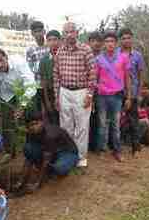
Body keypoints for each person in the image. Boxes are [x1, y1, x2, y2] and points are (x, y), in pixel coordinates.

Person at [53, 22, 96, 167]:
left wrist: (89, 95)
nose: (69, 34)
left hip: (81, 92)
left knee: (82, 126)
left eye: (72, 31)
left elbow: (92, 73)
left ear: (77, 33)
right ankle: (68, 155)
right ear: (63, 34)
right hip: (64, 92)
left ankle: (81, 158)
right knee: (66, 126)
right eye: (66, 32)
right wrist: (56, 96)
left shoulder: (86, 50)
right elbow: (56, 75)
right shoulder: (60, 51)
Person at [0, 48, 35, 158]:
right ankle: (10, 152)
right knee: (8, 123)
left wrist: (22, 105)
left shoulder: (18, 62)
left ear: (6, 57)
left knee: (29, 119)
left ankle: (30, 149)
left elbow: (30, 84)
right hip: (7, 95)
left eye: (0, 60)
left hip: (24, 90)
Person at [18, 111, 79, 193]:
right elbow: (29, 158)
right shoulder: (30, 133)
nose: (34, 127)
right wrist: (21, 181)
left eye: (36, 123)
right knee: (28, 148)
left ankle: (57, 169)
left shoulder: (50, 135)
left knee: (59, 168)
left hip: (67, 152)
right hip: (52, 151)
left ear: (42, 122)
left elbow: (46, 161)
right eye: (30, 125)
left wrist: (37, 184)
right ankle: (50, 168)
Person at [94, 31, 132, 162]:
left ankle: (117, 150)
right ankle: (102, 150)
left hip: (117, 96)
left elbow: (127, 78)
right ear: (104, 44)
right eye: (107, 41)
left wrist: (128, 97)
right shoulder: (98, 59)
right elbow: (95, 78)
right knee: (102, 124)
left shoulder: (123, 57)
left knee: (116, 125)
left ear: (116, 44)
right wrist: (95, 93)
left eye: (112, 41)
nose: (109, 44)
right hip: (102, 96)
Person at [118, 28, 146, 154]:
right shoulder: (115, 54)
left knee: (133, 119)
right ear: (120, 40)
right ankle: (116, 145)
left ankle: (136, 145)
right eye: (123, 38)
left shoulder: (137, 56)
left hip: (133, 92)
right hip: (117, 92)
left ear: (132, 39)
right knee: (117, 119)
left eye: (128, 38)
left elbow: (140, 76)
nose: (126, 40)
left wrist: (139, 93)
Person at [26, 21, 50, 113]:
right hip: (37, 84)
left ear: (44, 31)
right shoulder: (30, 50)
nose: (38, 34)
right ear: (32, 33)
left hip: (50, 84)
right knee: (39, 111)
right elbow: (30, 68)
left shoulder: (49, 46)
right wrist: (42, 69)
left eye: (40, 31)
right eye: (35, 31)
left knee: (51, 109)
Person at [39, 30, 61, 125]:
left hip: (64, 92)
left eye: (55, 39)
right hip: (50, 93)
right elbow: (43, 82)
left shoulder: (65, 56)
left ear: (60, 41)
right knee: (54, 121)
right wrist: (47, 101)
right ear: (47, 42)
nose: (53, 42)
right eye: (49, 40)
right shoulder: (44, 60)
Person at [87, 31, 103, 152]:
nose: (96, 43)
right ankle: (87, 144)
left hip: (101, 93)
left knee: (99, 118)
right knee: (87, 118)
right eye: (93, 41)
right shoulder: (86, 56)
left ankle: (96, 145)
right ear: (89, 42)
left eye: (98, 41)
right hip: (87, 91)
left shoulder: (104, 57)